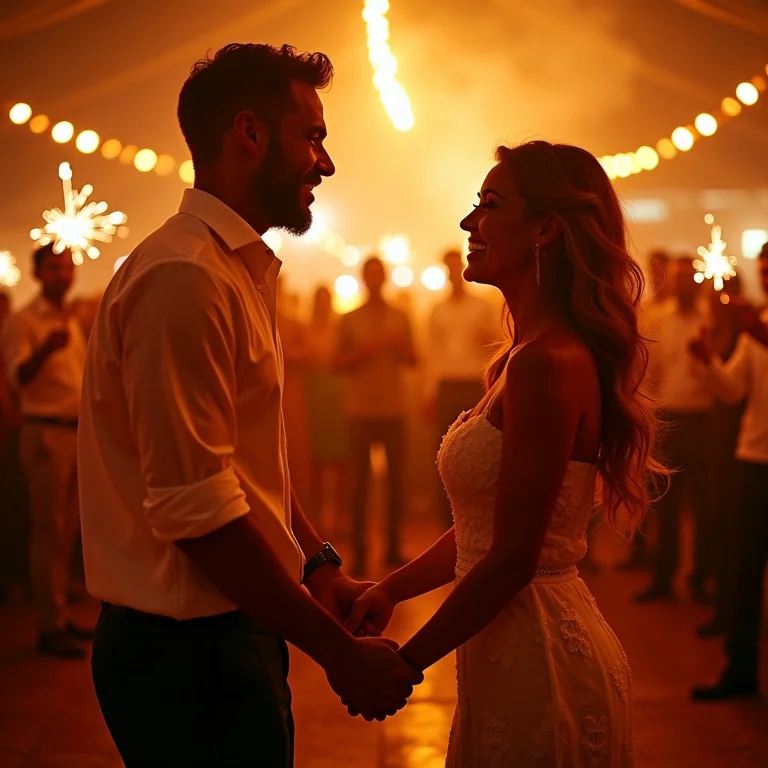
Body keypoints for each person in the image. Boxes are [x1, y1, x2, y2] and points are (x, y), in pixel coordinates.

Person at [78, 43, 421, 767]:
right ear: (250, 134)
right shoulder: (185, 277)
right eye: (314, 136)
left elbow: (242, 468)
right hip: (185, 650)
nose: (324, 164)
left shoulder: (237, 269)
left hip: (235, 630)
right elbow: (198, 511)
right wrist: (336, 652)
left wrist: (321, 568)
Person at [347, 141, 663, 765]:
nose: (468, 222)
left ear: (545, 228)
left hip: (540, 651)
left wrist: (405, 665)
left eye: (489, 205)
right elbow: (483, 529)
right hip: (508, 640)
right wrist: (391, 589)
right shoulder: (524, 356)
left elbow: (513, 558)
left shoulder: (547, 363)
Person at [1, 244, 89, 658]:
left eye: (66, 268)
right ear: (38, 275)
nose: (61, 275)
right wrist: (45, 349)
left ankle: (59, 614)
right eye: (53, 269)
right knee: (47, 531)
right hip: (44, 435)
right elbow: (18, 378)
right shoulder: (24, 322)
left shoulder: (70, 321)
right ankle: (48, 624)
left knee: (67, 530)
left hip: (73, 434)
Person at [690, 244, 768, 700]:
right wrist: (707, 362)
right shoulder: (757, 328)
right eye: (763, 270)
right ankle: (740, 669)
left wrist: (755, 331)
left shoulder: (757, 328)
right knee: (743, 570)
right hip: (754, 460)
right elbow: (732, 390)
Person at [634, 258, 714, 604]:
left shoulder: (709, 320)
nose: (683, 284)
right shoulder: (661, 321)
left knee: (703, 505)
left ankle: (700, 579)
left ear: (696, 282)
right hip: (669, 417)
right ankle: (663, 578)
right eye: (677, 277)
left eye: (688, 277)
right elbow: (650, 371)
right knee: (665, 505)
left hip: (703, 420)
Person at [335, 256, 417, 575]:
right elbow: (335, 363)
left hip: (394, 408)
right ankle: (359, 553)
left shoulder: (401, 316)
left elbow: (414, 358)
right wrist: (361, 354)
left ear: (384, 278)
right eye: (368, 274)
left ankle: (393, 549)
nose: (373, 279)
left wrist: (401, 350)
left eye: (377, 274)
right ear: (362, 279)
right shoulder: (349, 319)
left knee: (397, 483)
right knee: (359, 485)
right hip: (359, 410)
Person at [426, 248, 497, 529]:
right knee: (446, 457)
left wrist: (487, 339)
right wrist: (429, 394)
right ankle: (449, 524)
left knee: (480, 454)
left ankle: (479, 520)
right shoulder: (437, 310)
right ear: (446, 270)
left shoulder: (482, 308)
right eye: (450, 268)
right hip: (447, 386)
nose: (454, 273)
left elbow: (497, 346)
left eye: (457, 267)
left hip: (474, 385)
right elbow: (431, 354)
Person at [305, 285, 349, 534]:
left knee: (342, 457)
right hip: (315, 393)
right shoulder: (306, 328)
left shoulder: (338, 327)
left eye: (326, 300)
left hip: (338, 392)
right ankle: (317, 519)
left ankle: (341, 517)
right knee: (317, 459)